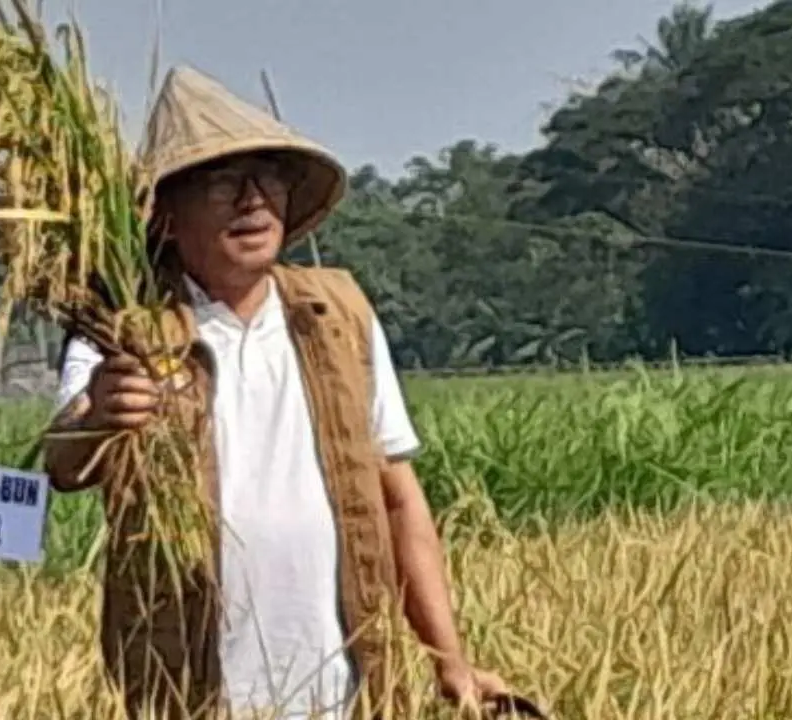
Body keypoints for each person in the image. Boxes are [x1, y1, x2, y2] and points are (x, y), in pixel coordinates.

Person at [44, 65, 509, 719]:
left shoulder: (336, 313)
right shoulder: (123, 331)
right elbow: (64, 459)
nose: (252, 200)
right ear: (167, 215)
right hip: (192, 687)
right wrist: (101, 410)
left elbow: (398, 498)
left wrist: (448, 658)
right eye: (222, 183)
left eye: (268, 178)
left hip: (346, 684)